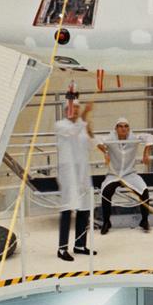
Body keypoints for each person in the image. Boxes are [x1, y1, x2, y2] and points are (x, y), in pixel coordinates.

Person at [97, 117, 153, 234]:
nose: (124, 129)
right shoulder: (111, 138)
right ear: (116, 129)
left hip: (130, 174)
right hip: (114, 174)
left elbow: (150, 137)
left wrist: (146, 152)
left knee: (144, 191)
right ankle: (106, 222)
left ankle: (144, 220)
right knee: (106, 192)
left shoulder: (133, 138)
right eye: (120, 126)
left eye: (126, 126)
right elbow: (96, 139)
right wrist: (105, 152)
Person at [54, 96, 95, 262]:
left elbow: (91, 145)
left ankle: (80, 245)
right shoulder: (60, 125)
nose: (76, 111)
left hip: (83, 172)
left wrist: (88, 125)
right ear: (66, 110)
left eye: (78, 108)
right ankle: (62, 248)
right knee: (67, 208)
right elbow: (72, 133)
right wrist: (84, 118)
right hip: (68, 172)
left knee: (84, 208)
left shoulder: (82, 125)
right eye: (73, 108)